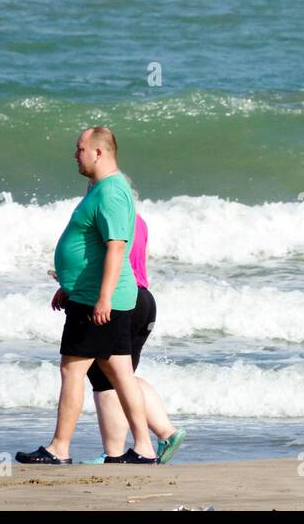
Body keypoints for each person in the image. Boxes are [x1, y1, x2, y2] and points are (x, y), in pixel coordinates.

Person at [16, 126, 157, 465]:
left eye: (79, 148)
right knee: (120, 373)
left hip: (99, 299)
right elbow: (93, 248)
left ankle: (59, 448)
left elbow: (116, 247)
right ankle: (143, 449)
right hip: (91, 295)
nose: (74, 154)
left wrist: (103, 298)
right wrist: (70, 286)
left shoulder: (111, 192)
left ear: (99, 152)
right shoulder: (104, 189)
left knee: (72, 370)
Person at [83, 205, 186, 464]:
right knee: (122, 375)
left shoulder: (107, 218)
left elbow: (101, 260)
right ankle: (166, 432)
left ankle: (113, 453)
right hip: (144, 299)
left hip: (120, 298)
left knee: (104, 374)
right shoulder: (139, 221)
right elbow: (141, 260)